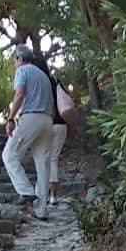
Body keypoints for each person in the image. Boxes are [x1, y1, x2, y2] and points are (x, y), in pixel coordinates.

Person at [1, 47, 55, 217]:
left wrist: (10, 119)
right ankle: (42, 209)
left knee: (9, 155)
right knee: (43, 164)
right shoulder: (43, 76)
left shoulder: (23, 71)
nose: (15, 64)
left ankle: (26, 191)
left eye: (14, 61)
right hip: (47, 119)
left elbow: (19, 94)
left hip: (31, 117)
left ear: (19, 58)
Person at [45, 65, 77, 209]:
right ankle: (53, 195)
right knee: (53, 159)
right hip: (61, 125)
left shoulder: (40, 83)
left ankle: (45, 193)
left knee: (44, 159)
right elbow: (65, 106)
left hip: (47, 123)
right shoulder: (56, 82)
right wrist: (71, 126)